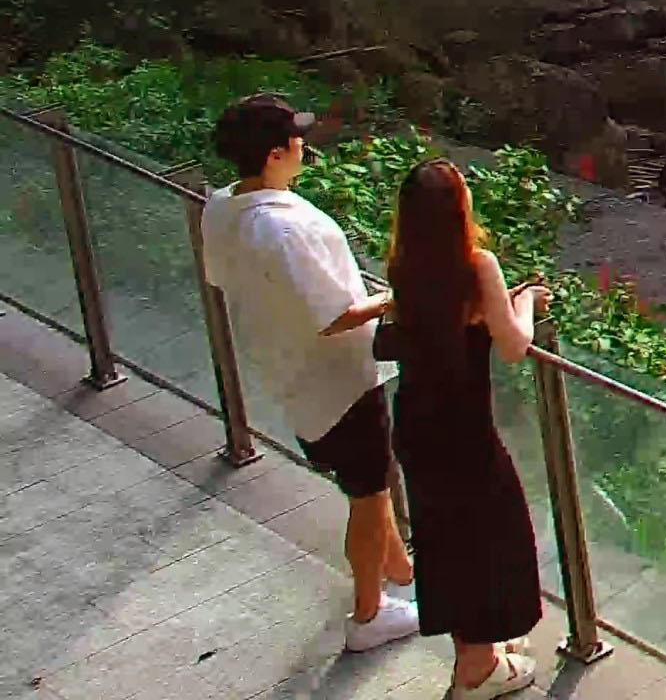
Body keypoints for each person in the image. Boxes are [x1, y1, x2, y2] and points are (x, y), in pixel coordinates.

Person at [325, 158, 548, 700]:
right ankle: (475, 670)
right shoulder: (477, 265)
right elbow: (514, 345)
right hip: (464, 428)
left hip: (416, 424)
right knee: (491, 535)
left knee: (445, 536)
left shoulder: (405, 264)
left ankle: (482, 652)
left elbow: (427, 317)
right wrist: (525, 303)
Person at [202, 94, 419, 650]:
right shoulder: (282, 229)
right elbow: (335, 317)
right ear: (277, 154)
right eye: (297, 139)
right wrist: (394, 300)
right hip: (338, 382)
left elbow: (223, 279)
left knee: (366, 483)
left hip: (289, 368)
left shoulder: (223, 206)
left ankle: (400, 570)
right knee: (368, 496)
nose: (305, 146)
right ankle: (369, 617)